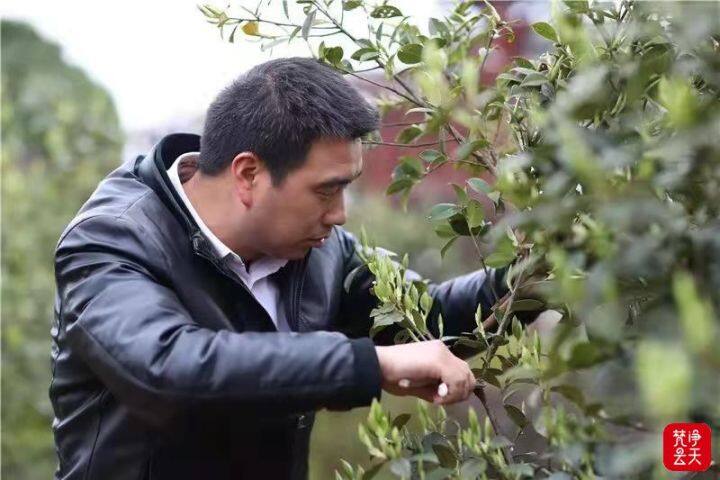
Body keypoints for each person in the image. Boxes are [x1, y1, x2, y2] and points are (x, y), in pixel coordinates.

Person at [50, 57, 507, 480]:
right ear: (248, 174)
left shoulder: (321, 251)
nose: (340, 215)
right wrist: (368, 364)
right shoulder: (111, 241)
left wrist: (534, 275)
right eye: (326, 190)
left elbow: (428, 318)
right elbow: (166, 369)